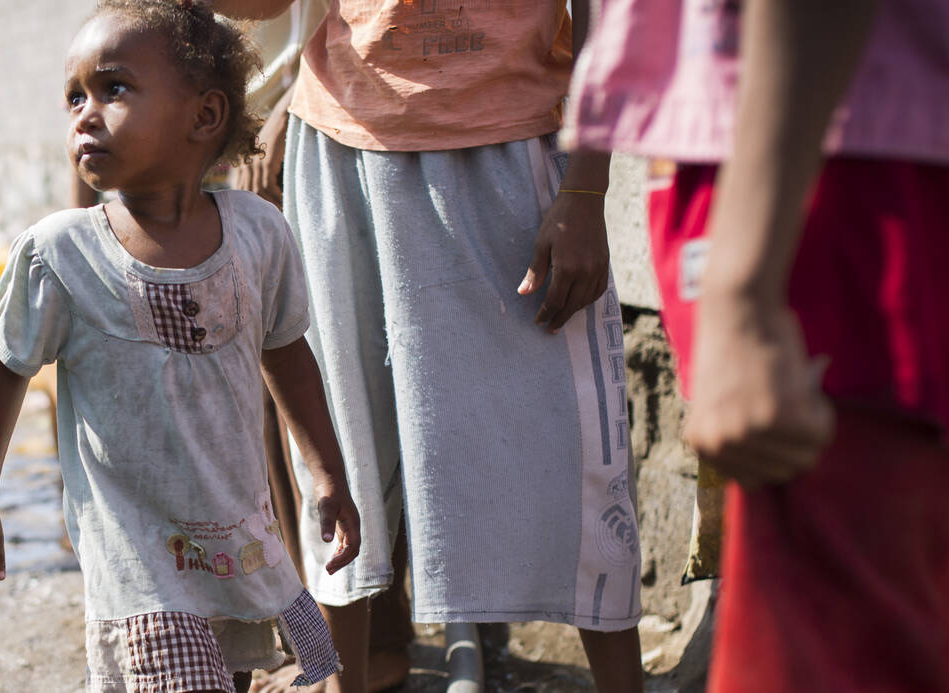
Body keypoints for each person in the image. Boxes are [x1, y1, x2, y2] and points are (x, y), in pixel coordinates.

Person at [564, 1, 949, 690]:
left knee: (822, 642)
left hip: (838, 168)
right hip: (842, 148)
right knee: (871, 631)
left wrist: (746, 289)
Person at [209, 1, 646, 691]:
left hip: (510, 151)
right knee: (342, 452)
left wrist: (588, 187)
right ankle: (341, 680)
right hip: (340, 149)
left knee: (574, 454)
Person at [0, 2, 363, 690]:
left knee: (232, 676)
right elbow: (5, 370)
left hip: (235, 540)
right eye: (74, 96)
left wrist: (329, 476)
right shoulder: (61, 253)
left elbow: (287, 355)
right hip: (138, 556)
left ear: (205, 116)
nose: (84, 114)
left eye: (113, 88)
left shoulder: (257, 232)